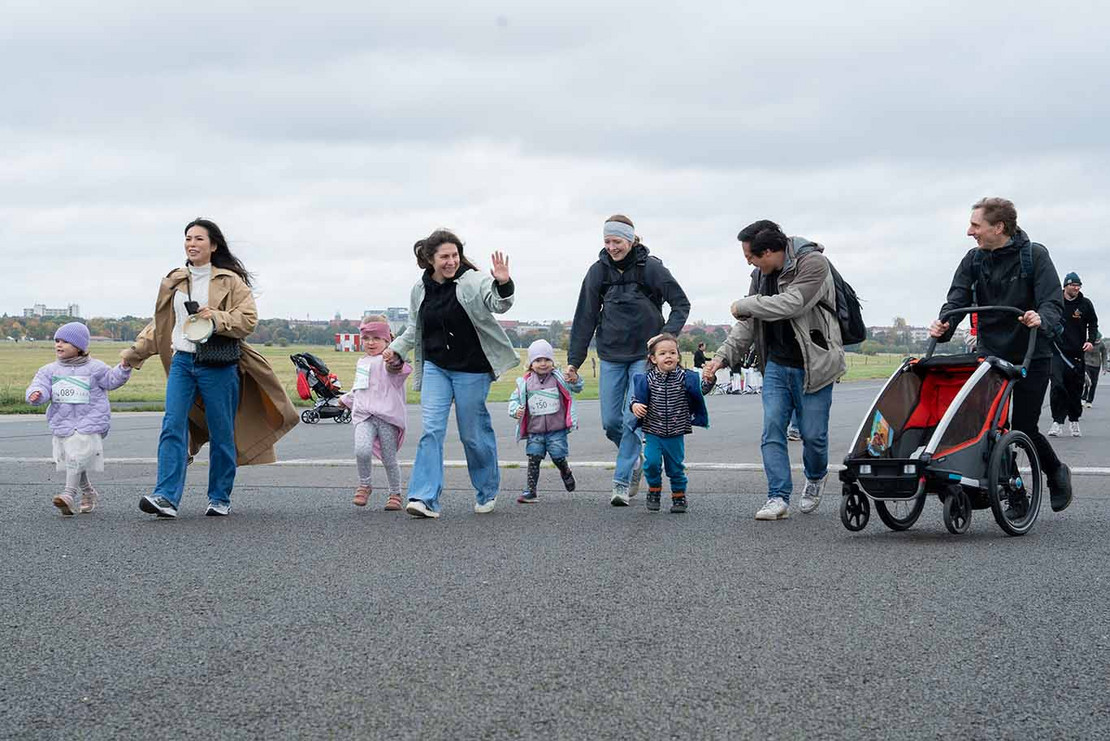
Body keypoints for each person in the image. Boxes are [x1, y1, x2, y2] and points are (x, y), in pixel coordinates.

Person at [122, 218, 298, 518]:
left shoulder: (230, 281)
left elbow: (248, 321)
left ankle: (219, 497)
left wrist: (216, 318)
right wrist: (134, 353)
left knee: (222, 432)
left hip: (217, 364)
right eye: (188, 238)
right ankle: (165, 497)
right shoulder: (174, 281)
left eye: (199, 239)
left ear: (213, 245)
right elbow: (163, 325)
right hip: (182, 362)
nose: (192, 244)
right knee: (172, 425)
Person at [929, 197, 1073, 513]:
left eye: (975, 225)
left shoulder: (1034, 257)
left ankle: (1055, 472)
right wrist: (945, 324)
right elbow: (956, 299)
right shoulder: (973, 260)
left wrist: (1041, 318)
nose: (970, 232)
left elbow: (1052, 303)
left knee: (1023, 425)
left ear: (999, 227)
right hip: (990, 354)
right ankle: (1014, 492)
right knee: (989, 427)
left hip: (1031, 354)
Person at [702, 220, 846, 520]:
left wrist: (746, 304)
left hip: (814, 366)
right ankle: (777, 497)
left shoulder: (814, 264)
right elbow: (749, 323)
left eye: (751, 257)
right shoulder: (760, 275)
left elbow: (792, 304)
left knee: (813, 436)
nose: (750, 264)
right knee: (772, 432)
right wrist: (721, 358)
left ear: (768, 251)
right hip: (777, 367)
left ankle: (816, 476)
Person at [384, 230, 517, 519]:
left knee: (472, 434)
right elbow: (412, 328)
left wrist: (503, 282)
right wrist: (396, 349)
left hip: (471, 368)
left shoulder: (474, 280)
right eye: (444, 256)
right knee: (431, 430)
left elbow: (498, 302)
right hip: (436, 367)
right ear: (431, 259)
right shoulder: (420, 290)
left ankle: (486, 489)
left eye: (455, 255)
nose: (451, 261)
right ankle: (424, 497)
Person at [567, 215, 691, 507]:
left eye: (617, 241)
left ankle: (621, 482)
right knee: (611, 422)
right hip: (610, 354)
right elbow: (584, 318)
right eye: (607, 241)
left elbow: (681, 303)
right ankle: (634, 459)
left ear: (632, 240)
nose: (612, 247)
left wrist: (666, 337)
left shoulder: (652, 269)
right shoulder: (598, 272)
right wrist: (575, 360)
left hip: (641, 357)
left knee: (632, 417)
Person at [25, 322, 132, 515]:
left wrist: (123, 368)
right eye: (57, 340)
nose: (59, 344)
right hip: (63, 422)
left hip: (90, 422)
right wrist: (37, 394)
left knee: (76, 453)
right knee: (73, 458)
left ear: (80, 346)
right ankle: (89, 492)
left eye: (65, 341)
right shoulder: (49, 370)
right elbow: (40, 386)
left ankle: (68, 494)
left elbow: (112, 380)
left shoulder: (96, 368)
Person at [337, 316, 412, 511]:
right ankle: (365, 485)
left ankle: (395, 493)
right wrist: (345, 400)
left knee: (389, 458)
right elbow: (360, 389)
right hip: (364, 416)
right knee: (361, 450)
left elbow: (398, 369)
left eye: (376, 338)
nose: (371, 343)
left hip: (386, 418)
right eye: (366, 338)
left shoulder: (388, 361)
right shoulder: (361, 362)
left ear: (387, 340)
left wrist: (393, 358)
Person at [630, 333, 709, 513]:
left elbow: (700, 390)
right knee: (651, 464)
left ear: (678, 356)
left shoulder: (684, 377)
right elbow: (635, 399)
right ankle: (654, 490)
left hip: (676, 431)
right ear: (653, 358)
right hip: (653, 431)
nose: (668, 357)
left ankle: (679, 496)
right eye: (663, 353)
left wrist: (709, 380)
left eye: (672, 353)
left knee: (675, 467)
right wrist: (635, 405)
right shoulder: (647, 379)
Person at [507, 339, 584, 503]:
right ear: (531, 363)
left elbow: (577, 388)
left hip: (557, 430)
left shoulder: (559, 379)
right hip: (535, 430)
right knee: (533, 458)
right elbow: (514, 399)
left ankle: (565, 471)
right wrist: (515, 410)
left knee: (558, 456)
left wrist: (575, 379)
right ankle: (531, 490)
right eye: (538, 360)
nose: (543, 364)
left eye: (547, 360)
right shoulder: (525, 383)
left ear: (553, 361)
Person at [1049, 272, 1098, 437]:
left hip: (1076, 353)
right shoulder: (1056, 302)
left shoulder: (1085, 304)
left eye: (1078, 285)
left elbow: (1093, 323)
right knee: (1057, 386)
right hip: (1056, 352)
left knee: (1075, 388)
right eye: (1073, 285)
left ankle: (1074, 420)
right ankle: (1057, 421)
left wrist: (1091, 340)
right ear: (1065, 286)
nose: (1076, 288)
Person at [1083, 333, 1106, 407]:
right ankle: (1083, 398)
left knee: (1094, 383)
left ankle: (1089, 401)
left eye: (1098, 340)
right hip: (1087, 363)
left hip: (1096, 365)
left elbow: (1104, 355)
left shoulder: (1102, 344)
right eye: (1095, 340)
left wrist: (1104, 368)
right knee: (1087, 381)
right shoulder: (1086, 342)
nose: (1096, 342)